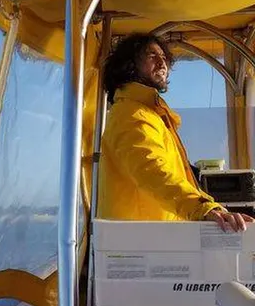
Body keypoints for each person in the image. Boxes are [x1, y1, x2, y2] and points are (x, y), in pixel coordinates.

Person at [98, 33, 254, 231]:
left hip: (152, 236)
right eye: (152, 56)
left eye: (164, 58)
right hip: (141, 242)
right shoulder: (131, 115)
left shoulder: (150, 114)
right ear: (129, 64)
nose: (162, 63)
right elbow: (153, 171)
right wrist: (201, 208)